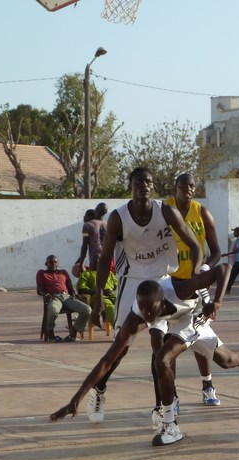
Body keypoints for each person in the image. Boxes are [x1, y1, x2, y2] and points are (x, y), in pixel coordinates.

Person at [50, 264, 239, 445]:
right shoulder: (139, 315)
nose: (147, 315)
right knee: (220, 359)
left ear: (161, 302)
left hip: (196, 313)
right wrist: (75, 400)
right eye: (144, 311)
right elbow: (106, 361)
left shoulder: (180, 289)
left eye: (150, 311)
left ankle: (169, 419)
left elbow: (224, 268)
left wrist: (217, 301)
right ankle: (170, 423)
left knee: (219, 361)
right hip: (175, 318)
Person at [87, 166, 203, 423]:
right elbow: (105, 259)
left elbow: (195, 245)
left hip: (162, 281)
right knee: (122, 348)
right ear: (131, 185)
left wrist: (196, 274)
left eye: (148, 181)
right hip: (131, 282)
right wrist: (97, 299)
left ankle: (162, 406)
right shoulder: (118, 218)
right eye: (139, 181)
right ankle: (99, 389)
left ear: (153, 186)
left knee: (159, 345)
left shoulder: (166, 211)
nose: (144, 185)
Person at [164, 172, 224, 406]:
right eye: (183, 186)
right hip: (170, 285)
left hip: (196, 285)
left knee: (198, 335)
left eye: (191, 186)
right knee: (171, 342)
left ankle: (207, 385)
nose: (187, 189)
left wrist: (206, 266)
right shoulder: (165, 210)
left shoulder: (202, 213)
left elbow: (217, 250)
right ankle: (174, 393)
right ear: (175, 187)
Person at [37, 255, 92, 341]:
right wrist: (47, 295)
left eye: (55, 262)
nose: (53, 264)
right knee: (53, 310)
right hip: (54, 297)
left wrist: (73, 293)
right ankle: (50, 333)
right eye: (51, 262)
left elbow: (70, 286)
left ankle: (73, 333)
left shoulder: (63, 272)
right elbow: (40, 289)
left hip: (67, 297)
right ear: (46, 264)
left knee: (87, 309)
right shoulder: (42, 273)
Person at [75, 204, 108, 271]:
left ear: (96, 210)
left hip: (95, 259)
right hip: (108, 258)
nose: (84, 217)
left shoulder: (87, 225)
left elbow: (85, 245)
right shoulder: (108, 225)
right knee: (109, 280)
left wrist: (81, 263)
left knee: (96, 280)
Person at [223, 227, 239, 294]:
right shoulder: (238, 240)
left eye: (235, 232)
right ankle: (227, 290)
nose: (234, 233)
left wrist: (226, 254)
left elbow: (236, 251)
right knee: (232, 275)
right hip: (238, 261)